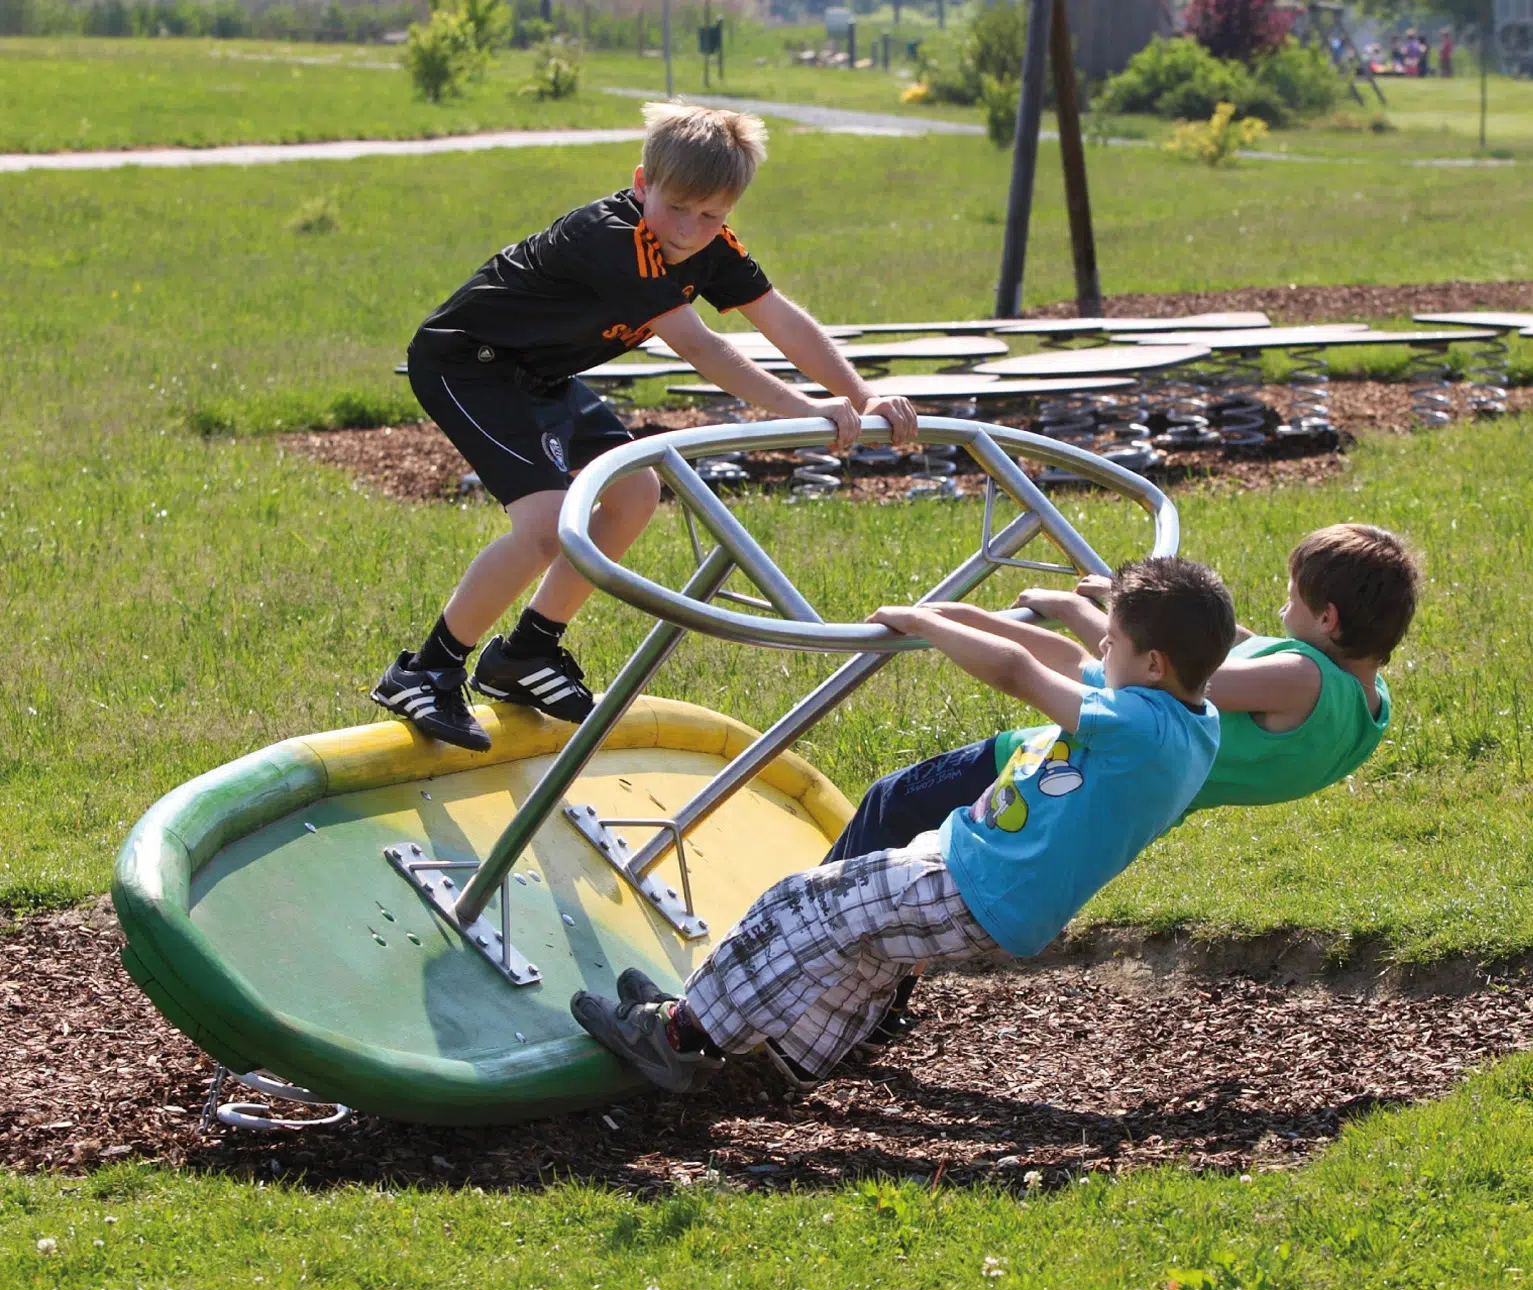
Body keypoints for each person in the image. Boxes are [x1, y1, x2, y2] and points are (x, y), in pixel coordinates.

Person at [569, 557, 1235, 1091]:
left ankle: (677, 1036)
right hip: (983, 878)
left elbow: (1019, 671)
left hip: (973, 883)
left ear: (1152, 664)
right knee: (863, 949)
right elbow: (1067, 661)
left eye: (1111, 640)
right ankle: (798, 1054)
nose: (1099, 647)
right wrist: (965, 616)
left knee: (800, 902)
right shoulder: (1187, 719)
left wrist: (925, 623)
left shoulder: (1137, 723)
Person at [373, 103, 918, 750]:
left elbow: (778, 318)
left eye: (712, 214)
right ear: (641, 184)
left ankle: (526, 652)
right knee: (547, 525)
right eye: (678, 207)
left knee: (634, 492)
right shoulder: (612, 238)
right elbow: (702, 347)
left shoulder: (711, 245)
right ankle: (427, 669)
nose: (690, 230)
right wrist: (805, 411)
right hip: (469, 365)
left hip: (538, 376)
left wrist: (862, 393)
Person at [821, 523, 1418, 1039]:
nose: (1282, 611)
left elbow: (1188, 668)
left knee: (892, 804)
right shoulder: (1368, 703)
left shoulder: (1300, 679)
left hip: (1073, 761)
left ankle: (809, 948)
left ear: (1328, 619)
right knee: (919, 863)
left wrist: (1088, 613)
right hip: (1125, 777)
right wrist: (1129, 603)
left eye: (1292, 599)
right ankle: (870, 1004)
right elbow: (1233, 646)